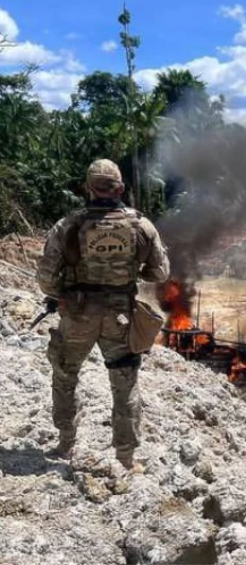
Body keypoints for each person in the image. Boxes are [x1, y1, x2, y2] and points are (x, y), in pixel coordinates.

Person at [37, 159, 170, 469]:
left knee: (65, 375)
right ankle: (126, 458)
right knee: (124, 384)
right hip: (120, 317)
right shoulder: (141, 225)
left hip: (77, 316)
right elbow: (161, 272)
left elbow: (45, 277)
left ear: (87, 188)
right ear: (120, 188)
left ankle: (66, 443)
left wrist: (62, 297)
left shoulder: (68, 225)